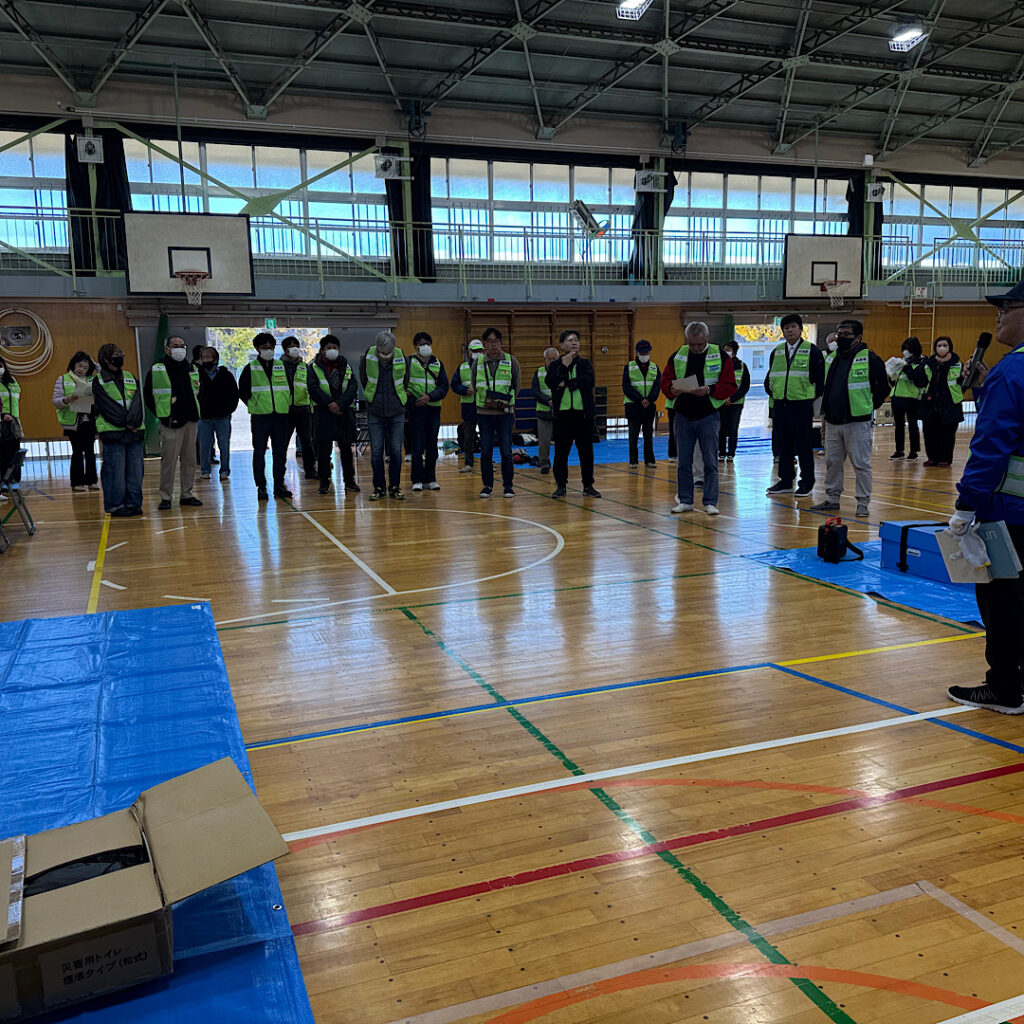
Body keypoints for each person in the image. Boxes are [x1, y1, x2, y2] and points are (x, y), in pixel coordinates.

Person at [945, 279, 1024, 714]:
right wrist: (984, 387)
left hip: (1010, 512)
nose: (998, 317)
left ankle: (1005, 689)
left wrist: (966, 504)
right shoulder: (1006, 373)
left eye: (1007, 308)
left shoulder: (1012, 371)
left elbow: (993, 444)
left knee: (1003, 601)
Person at [809, 319, 890, 517]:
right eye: (840, 334)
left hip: (857, 422)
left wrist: (870, 406)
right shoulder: (832, 358)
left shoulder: (870, 358)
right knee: (832, 462)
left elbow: (883, 387)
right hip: (832, 421)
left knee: (861, 464)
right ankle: (832, 499)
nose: (842, 338)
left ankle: (863, 503)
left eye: (847, 334)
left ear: (858, 337)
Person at [661, 321, 736, 516]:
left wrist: (710, 390)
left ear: (707, 339)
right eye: (691, 344)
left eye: (699, 344)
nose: (694, 348)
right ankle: (685, 500)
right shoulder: (678, 354)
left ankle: (710, 502)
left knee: (710, 462)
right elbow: (665, 380)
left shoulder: (720, 355)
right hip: (683, 415)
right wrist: (671, 389)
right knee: (684, 462)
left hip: (708, 416)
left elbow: (730, 385)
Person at [764, 313, 825, 500]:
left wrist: (809, 398)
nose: (789, 330)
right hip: (781, 404)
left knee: (804, 445)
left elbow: (819, 380)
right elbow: (771, 376)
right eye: (786, 328)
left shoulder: (812, 351)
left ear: (800, 329)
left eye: (793, 327)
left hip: (801, 405)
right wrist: (773, 392)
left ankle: (806, 483)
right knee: (784, 444)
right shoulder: (777, 351)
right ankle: (785, 481)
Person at [143, 335, 203, 511]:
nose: (179, 349)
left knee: (190, 460)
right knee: (168, 461)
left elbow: (198, 392)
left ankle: (187, 494)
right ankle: (166, 497)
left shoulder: (191, 368)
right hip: (170, 422)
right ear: (167, 349)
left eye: (182, 346)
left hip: (190, 420)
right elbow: (148, 395)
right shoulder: (157, 369)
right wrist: (161, 414)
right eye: (175, 345)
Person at [238, 332, 293, 501]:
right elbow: (243, 391)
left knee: (280, 453)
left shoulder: (281, 366)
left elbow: (289, 388)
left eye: (271, 347)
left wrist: (285, 404)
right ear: (257, 349)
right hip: (260, 417)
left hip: (281, 416)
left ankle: (279, 485)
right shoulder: (250, 368)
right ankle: (261, 487)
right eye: (264, 347)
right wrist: (255, 404)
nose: (268, 350)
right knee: (259, 452)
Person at [92, 343, 144, 517]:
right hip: (113, 432)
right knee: (115, 472)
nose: (120, 357)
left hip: (135, 431)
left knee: (136, 471)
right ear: (106, 358)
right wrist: (126, 422)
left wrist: (134, 422)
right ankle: (116, 505)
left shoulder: (130, 376)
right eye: (115, 355)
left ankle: (134, 503)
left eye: (121, 354)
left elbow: (137, 401)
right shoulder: (98, 380)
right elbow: (106, 406)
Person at [547, 329, 600, 498]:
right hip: (563, 416)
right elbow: (551, 382)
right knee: (561, 453)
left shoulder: (585, 364)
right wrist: (564, 366)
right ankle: (561, 486)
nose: (574, 342)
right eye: (570, 340)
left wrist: (568, 383)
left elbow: (589, 381)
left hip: (583, 416)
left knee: (586, 453)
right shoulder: (555, 365)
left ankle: (588, 485)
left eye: (576, 340)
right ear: (562, 345)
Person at [308, 334, 359, 496]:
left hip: (344, 412)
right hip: (324, 412)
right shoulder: (314, 367)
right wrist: (330, 404)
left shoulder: (346, 365)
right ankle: (324, 483)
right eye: (328, 348)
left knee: (346, 449)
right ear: (322, 350)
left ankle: (349, 481)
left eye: (335, 348)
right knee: (324, 450)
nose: (332, 350)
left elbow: (353, 387)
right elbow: (313, 388)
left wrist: (340, 404)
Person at [360, 330, 408, 501]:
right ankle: (379, 488)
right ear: (377, 347)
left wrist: (399, 400)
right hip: (375, 411)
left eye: (389, 352)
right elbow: (364, 379)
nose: (386, 355)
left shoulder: (402, 356)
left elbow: (405, 380)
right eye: (383, 352)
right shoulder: (367, 357)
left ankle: (395, 487)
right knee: (376, 452)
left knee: (395, 450)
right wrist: (372, 400)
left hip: (396, 410)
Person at [473, 326, 520, 498]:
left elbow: (517, 385)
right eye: (490, 341)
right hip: (484, 414)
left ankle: (508, 486)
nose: (493, 345)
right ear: (485, 344)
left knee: (506, 451)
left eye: (496, 341)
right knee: (486, 451)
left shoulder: (511, 360)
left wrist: (505, 403)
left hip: (505, 414)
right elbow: (473, 384)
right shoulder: (478, 362)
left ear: (501, 343)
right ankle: (487, 486)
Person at [407, 331, 449, 492]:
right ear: (415, 346)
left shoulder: (438, 363)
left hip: (433, 408)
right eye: (421, 344)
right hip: (416, 409)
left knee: (432, 445)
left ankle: (431, 479)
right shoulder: (409, 362)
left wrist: (430, 397)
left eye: (427, 344)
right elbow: (402, 383)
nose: (425, 346)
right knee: (417, 446)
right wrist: (412, 397)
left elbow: (444, 386)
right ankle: (417, 479)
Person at [52, 351, 99, 492]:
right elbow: (55, 401)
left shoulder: (92, 379)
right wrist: (66, 400)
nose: (81, 369)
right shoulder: (63, 379)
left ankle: (92, 481)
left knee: (90, 451)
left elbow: (105, 376)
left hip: (89, 421)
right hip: (73, 422)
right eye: (79, 365)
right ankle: (77, 482)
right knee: (77, 451)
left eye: (85, 367)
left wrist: (96, 364)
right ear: (73, 364)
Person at [196, 347, 238, 482]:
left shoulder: (226, 375)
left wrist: (228, 410)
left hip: (222, 417)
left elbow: (234, 394)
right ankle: (205, 470)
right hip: (204, 417)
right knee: (204, 445)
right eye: (203, 358)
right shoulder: (197, 375)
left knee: (224, 445)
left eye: (208, 357)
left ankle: (225, 470)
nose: (205, 360)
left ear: (215, 359)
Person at [921, 335, 964, 468]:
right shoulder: (928, 364)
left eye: (945, 345)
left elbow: (964, 383)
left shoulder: (958, 364)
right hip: (931, 403)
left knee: (948, 433)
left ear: (950, 347)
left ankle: (945, 459)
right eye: (939, 345)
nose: (942, 348)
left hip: (950, 403)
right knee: (929, 432)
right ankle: (932, 458)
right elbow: (921, 380)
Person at [281, 335, 317, 481]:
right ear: (285, 350)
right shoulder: (278, 366)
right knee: (282, 443)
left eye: (296, 346)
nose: (294, 348)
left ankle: (310, 470)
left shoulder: (304, 367)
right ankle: (280, 472)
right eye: (291, 346)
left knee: (307, 441)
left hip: (303, 409)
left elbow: (311, 386)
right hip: (285, 409)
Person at [889, 336, 928, 461]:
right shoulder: (901, 361)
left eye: (908, 349)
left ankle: (913, 451)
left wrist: (906, 367)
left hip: (912, 397)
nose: (905, 351)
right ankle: (899, 450)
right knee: (898, 425)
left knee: (912, 425)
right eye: (904, 348)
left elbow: (919, 379)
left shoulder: (922, 362)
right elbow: (894, 379)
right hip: (897, 396)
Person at [622, 339, 660, 468]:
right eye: (642, 353)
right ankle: (633, 460)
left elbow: (657, 386)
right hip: (633, 405)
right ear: (637, 353)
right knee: (633, 435)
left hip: (649, 406)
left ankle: (650, 460)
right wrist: (640, 399)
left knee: (648, 435)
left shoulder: (654, 367)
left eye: (646, 353)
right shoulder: (629, 367)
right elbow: (626, 386)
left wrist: (649, 399)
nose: (644, 355)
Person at [452, 338, 483, 472]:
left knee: (486, 437)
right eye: (475, 351)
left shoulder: (487, 366)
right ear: (469, 352)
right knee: (468, 437)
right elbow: (454, 385)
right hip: (468, 406)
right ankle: (469, 463)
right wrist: (465, 391)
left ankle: (487, 464)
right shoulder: (462, 367)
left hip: (484, 406)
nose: (477, 353)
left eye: (479, 350)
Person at [718, 340, 750, 462]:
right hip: (721, 402)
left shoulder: (742, 366)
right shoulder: (719, 365)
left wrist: (732, 399)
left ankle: (731, 453)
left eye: (729, 350)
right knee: (721, 429)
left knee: (732, 428)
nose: (726, 352)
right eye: (725, 350)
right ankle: (721, 452)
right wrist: (723, 398)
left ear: (734, 352)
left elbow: (744, 386)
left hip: (736, 403)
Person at [532, 347, 559, 474]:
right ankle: (544, 464)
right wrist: (548, 401)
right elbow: (535, 391)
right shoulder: (539, 372)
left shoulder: (564, 372)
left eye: (554, 359)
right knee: (544, 441)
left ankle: (560, 464)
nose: (552, 361)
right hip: (543, 412)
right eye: (549, 359)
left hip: (560, 412)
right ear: (545, 360)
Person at [0, 355, 22, 488]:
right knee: (2, 454)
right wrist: (3, 415)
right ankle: (3, 482)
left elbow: (16, 398)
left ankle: (14, 480)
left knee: (15, 453)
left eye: (0, 365)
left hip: (14, 422)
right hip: (1, 422)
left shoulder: (12, 380)